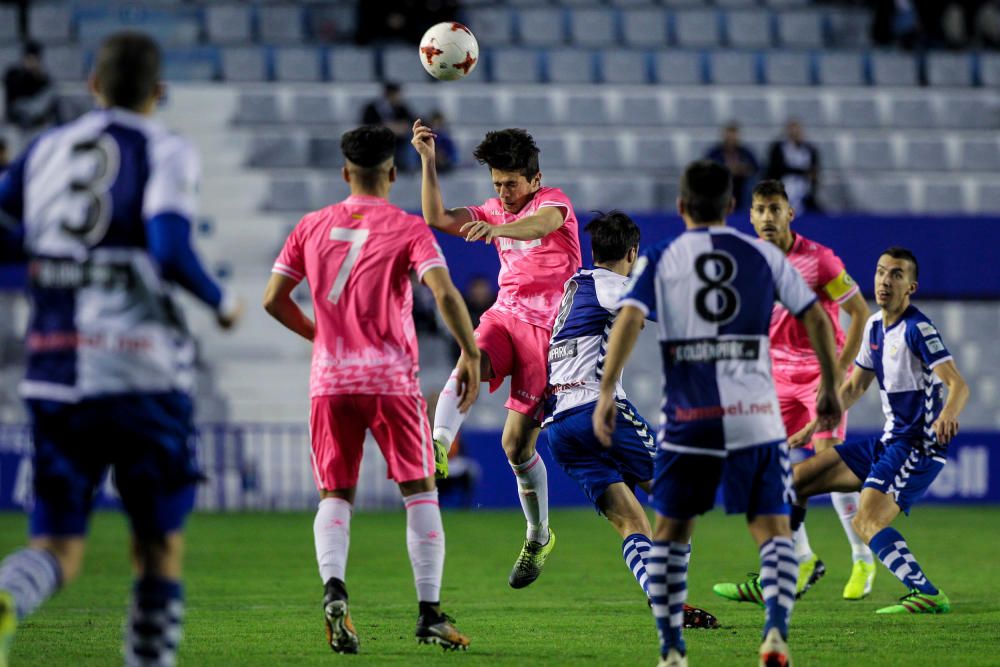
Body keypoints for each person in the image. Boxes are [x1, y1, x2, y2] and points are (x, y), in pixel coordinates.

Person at [0, 32, 242, 666]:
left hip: (55, 372)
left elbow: (7, 222)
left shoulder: (43, 151)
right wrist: (219, 302)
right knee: (157, 547)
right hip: (142, 373)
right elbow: (167, 245)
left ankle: (6, 598)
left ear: (91, 85)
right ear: (159, 92)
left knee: (55, 548)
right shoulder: (163, 148)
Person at [593, 161, 841, 667]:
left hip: (691, 415)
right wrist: (831, 387)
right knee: (772, 529)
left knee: (669, 531)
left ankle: (672, 649)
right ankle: (773, 633)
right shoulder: (762, 255)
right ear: (732, 207)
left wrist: (604, 394)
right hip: (755, 412)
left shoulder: (663, 255)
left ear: (682, 206)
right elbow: (816, 315)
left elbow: (630, 317)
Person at [262, 124, 480, 653]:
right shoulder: (406, 228)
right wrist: (470, 351)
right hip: (389, 380)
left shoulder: (311, 226)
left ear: (344, 173)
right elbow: (445, 292)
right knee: (420, 490)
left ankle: (335, 590)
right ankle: (429, 613)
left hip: (330, 380)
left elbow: (274, 298)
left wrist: (322, 335)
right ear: (391, 172)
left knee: (335, 495)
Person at [412, 121, 582, 589]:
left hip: (549, 336)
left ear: (534, 178)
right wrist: (428, 161)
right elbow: (436, 217)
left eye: (511, 183)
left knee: (515, 446)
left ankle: (538, 535)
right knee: (471, 357)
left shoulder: (555, 203)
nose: (503, 193)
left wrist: (499, 224)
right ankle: (438, 446)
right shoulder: (492, 209)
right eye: (497, 185)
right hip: (505, 318)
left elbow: (540, 225)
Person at [543, 210, 719, 630]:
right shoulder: (615, 285)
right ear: (632, 252)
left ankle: (661, 599)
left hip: (558, 427)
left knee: (630, 520)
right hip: (595, 409)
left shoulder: (573, 287)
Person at [713, 179, 873, 603]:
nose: (767, 217)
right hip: (776, 378)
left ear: (789, 214)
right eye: (760, 209)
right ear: (749, 216)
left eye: (775, 209)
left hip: (819, 376)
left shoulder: (819, 261)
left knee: (826, 465)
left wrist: (837, 375)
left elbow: (858, 312)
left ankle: (862, 558)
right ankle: (803, 558)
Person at [788, 247, 969, 615]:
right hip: (889, 442)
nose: (885, 280)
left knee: (866, 520)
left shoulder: (918, 329)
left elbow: (958, 383)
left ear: (911, 287)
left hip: (917, 446)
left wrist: (949, 413)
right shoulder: (873, 326)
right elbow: (853, 388)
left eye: (896, 274)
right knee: (793, 483)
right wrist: (814, 426)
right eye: (881, 271)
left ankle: (927, 593)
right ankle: (788, 566)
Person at [765, 119, 821, 214]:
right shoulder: (779, 148)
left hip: (804, 185)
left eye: (797, 130)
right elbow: (776, 168)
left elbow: (814, 168)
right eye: (792, 130)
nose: (795, 133)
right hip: (784, 182)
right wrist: (802, 172)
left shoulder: (809, 149)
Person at [3, 40, 58, 132]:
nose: (31, 63)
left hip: (37, 121)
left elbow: (45, 106)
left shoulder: (43, 80)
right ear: (23, 58)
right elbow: (12, 104)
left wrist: (37, 76)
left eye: (34, 59)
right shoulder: (13, 74)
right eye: (28, 58)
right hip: (17, 121)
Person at [362, 83, 416, 171]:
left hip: (398, 141)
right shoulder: (372, 108)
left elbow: (412, 121)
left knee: (412, 139)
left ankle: (408, 169)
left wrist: (399, 128)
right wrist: (388, 127)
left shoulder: (401, 108)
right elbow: (367, 125)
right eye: (397, 94)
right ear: (390, 94)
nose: (399, 97)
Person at [704, 122, 758, 210]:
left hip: (741, 181)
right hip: (721, 181)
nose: (731, 139)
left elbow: (755, 167)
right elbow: (707, 167)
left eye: (733, 136)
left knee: (751, 185)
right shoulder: (714, 152)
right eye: (729, 136)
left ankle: (745, 212)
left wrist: (743, 169)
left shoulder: (745, 152)